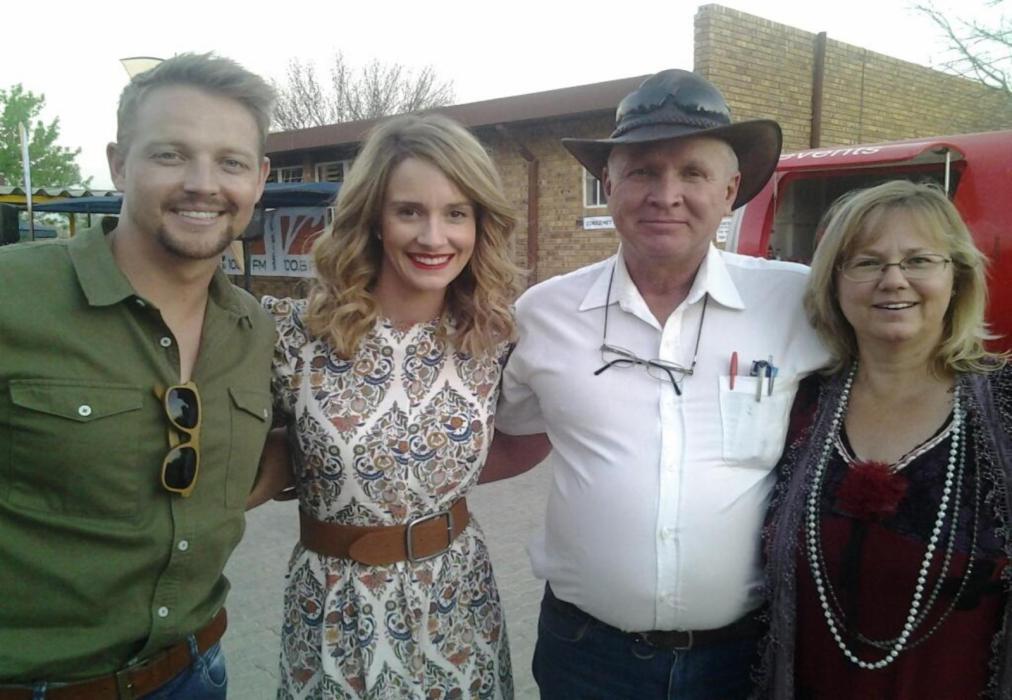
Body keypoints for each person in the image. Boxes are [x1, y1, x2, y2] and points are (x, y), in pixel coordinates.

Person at [482, 69, 828, 699]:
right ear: (607, 184)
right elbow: (519, 437)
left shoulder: (797, 303)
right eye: (642, 171)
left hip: (741, 660)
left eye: (693, 173)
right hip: (586, 657)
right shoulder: (545, 313)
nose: (666, 195)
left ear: (730, 191)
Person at [0, 53, 276, 698]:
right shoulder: (13, 294)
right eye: (171, 155)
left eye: (231, 162)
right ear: (120, 164)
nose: (203, 184)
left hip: (195, 671)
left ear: (259, 179)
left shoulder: (253, 329)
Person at [259, 113, 519, 699]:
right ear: (374, 219)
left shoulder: (493, 337)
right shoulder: (294, 336)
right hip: (337, 604)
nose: (434, 237)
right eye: (409, 211)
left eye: (456, 213)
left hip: (457, 598)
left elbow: (536, 433)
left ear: (480, 223)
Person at [759, 180, 1012, 698]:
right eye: (867, 263)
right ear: (834, 283)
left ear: (957, 277)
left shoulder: (1005, 402)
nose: (893, 280)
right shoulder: (797, 402)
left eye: (919, 260)